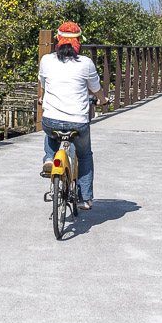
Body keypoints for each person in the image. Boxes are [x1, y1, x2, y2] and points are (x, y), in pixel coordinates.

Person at [38, 21, 109, 210]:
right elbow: (96, 89)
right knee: (85, 155)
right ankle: (84, 198)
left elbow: (44, 86)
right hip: (78, 122)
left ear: (58, 41)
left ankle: (49, 158)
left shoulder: (46, 60)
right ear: (78, 42)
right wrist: (102, 100)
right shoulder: (85, 63)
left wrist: (42, 99)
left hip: (51, 120)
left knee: (50, 129)